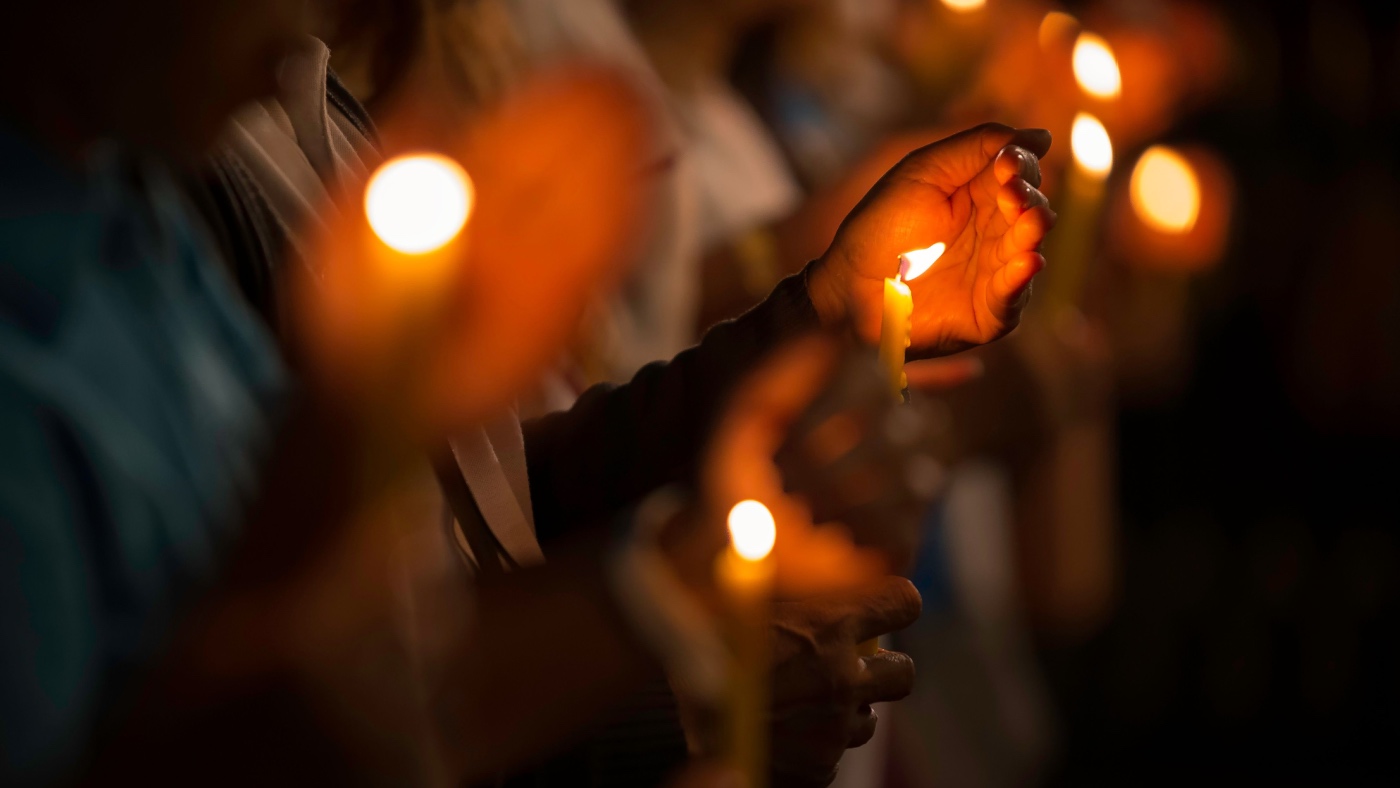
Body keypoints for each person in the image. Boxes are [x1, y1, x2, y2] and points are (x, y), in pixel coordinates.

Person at [0, 2, 930, 785]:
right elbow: (245, 720)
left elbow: (463, 510)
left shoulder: (151, 188)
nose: (307, 26)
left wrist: (811, 311)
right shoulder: (183, 174)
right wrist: (665, 641)